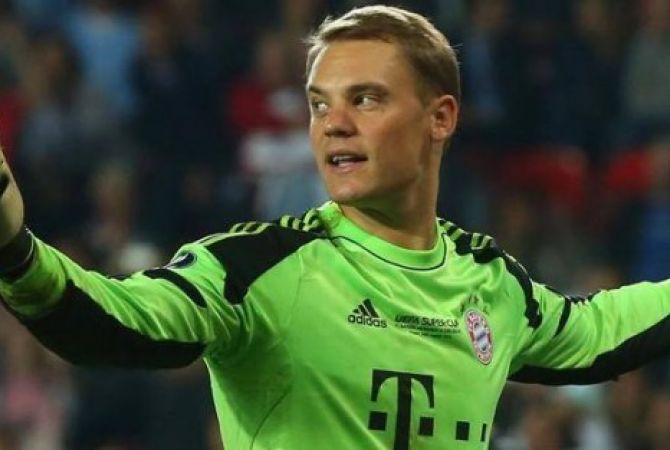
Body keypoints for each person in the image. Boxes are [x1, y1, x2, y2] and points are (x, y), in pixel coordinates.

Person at [0, 5, 669, 450]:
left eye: (366, 99)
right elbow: (113, 321)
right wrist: (15, 252)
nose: (333, 125)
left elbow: (599, 331)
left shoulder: (490, 283)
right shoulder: (258, 268)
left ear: (440, 117)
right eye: (320, 105)